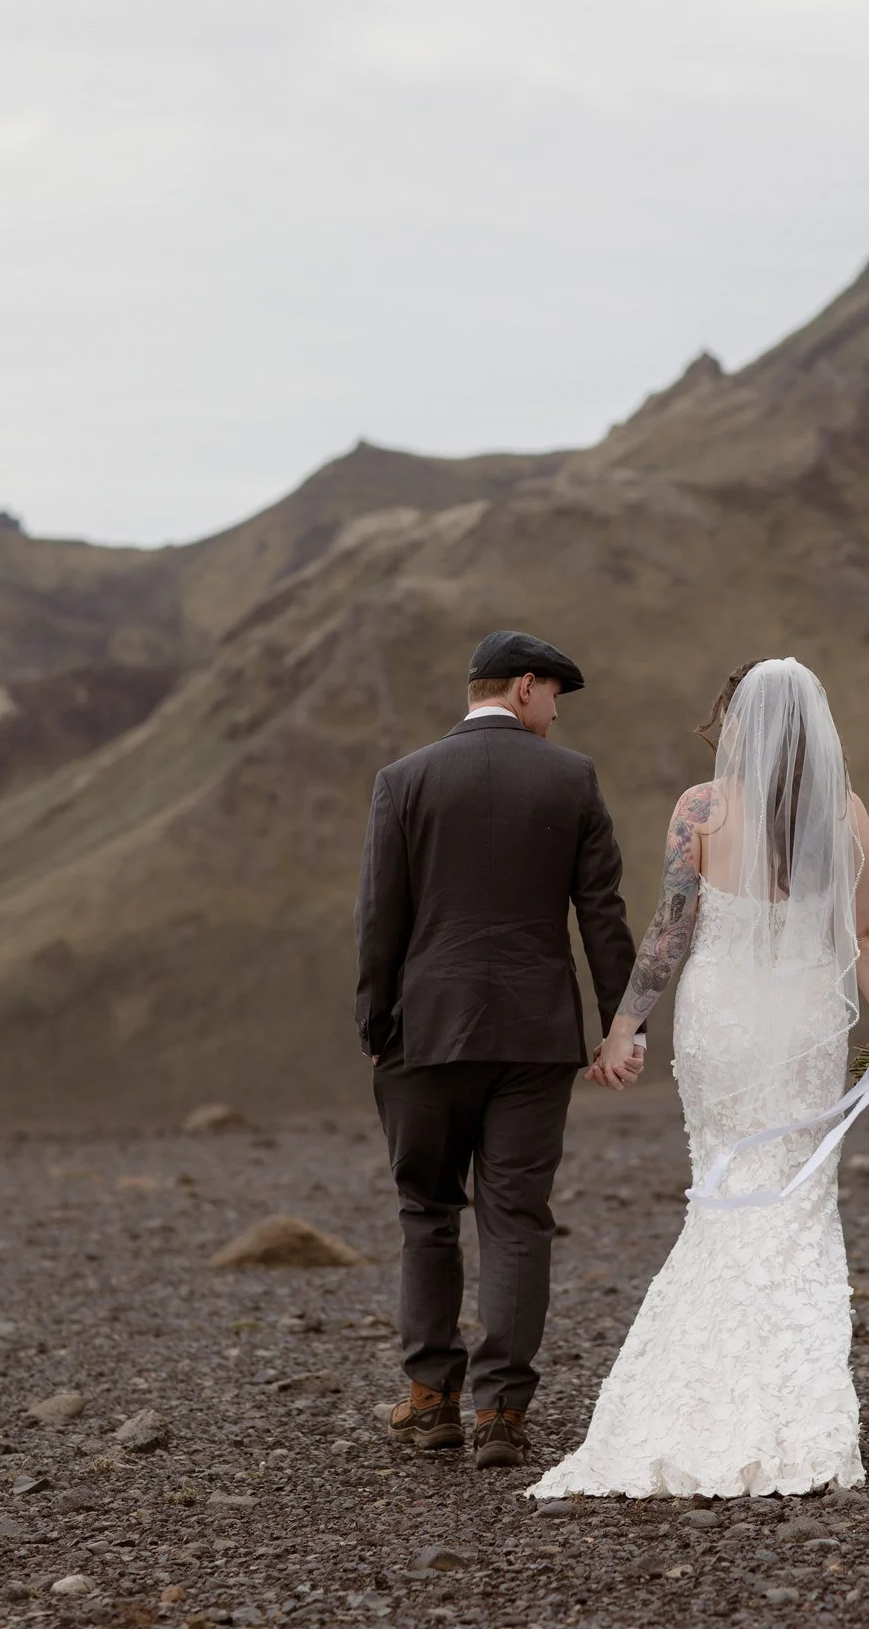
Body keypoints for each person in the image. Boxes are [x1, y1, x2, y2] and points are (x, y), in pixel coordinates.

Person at [529, 656, 869, 1500]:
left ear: (739, 722)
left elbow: (667, 932)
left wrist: (620, 1032)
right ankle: (794, 1407)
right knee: (794, 1192)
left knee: (719, 1190)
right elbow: (864, 937)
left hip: (719, 1023)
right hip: (800, 1023)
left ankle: (688, 1395)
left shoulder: (701, 809)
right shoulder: (845, 813)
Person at [354, 630, 642, 1470]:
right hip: (535, 1034)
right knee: (517, 1219)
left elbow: (380, 917)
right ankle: (502, 1415)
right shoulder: (571, 777)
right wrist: (623, 1022)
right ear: (523, 687)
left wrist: (376, 1026)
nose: (556, 713)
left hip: (425, 1032)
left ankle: (429, 1401)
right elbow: (602, 913)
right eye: (554, 695)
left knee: (427, 1214)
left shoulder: (402, 780)